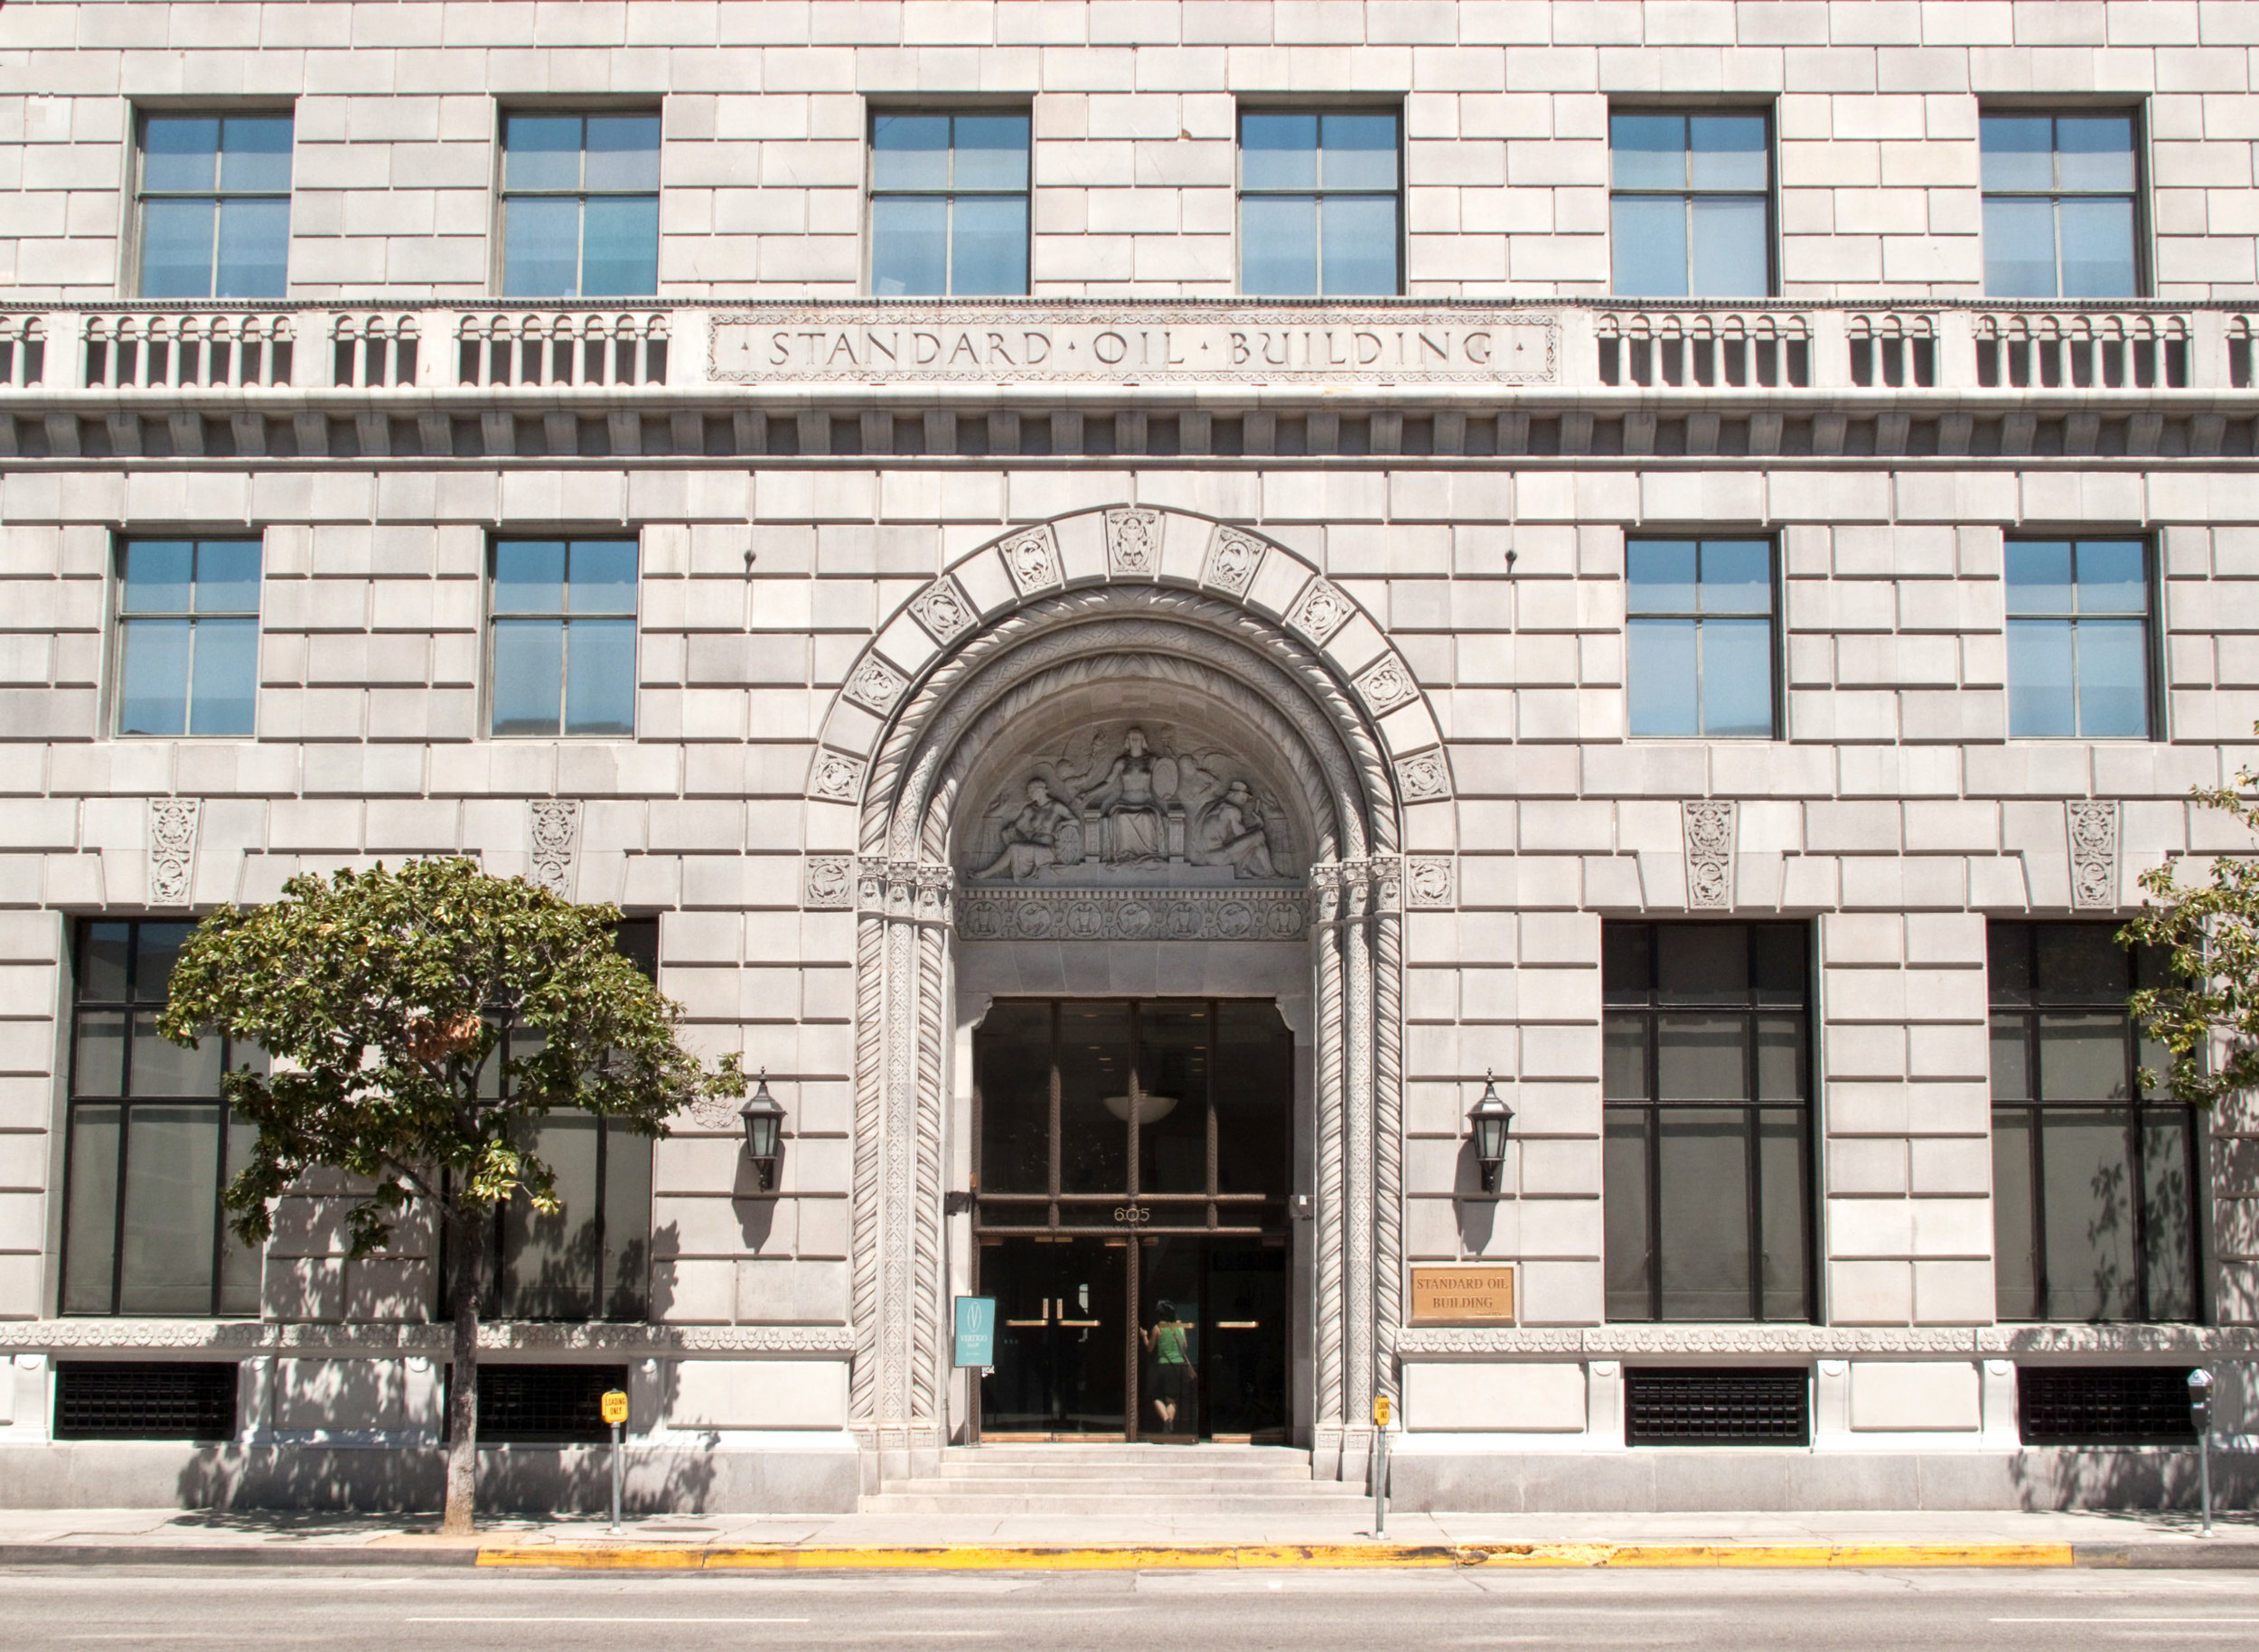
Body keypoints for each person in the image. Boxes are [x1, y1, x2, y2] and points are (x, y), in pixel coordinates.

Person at [1142, 1300, 1195, 1435]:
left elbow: (1149, 1348)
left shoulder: (1158, 1328)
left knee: (1155, 1396)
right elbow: (1185, 1347)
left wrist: (1144, 1336)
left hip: (1163, 1366)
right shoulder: (1180, 1327)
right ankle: (1168, 1428)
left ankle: (1166, 1419)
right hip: (1178, 1367)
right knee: (1172, 1400)